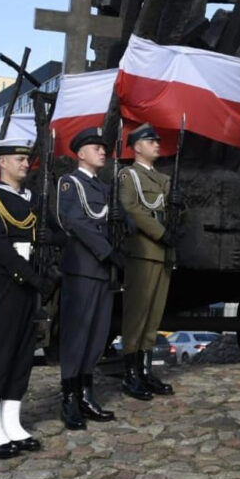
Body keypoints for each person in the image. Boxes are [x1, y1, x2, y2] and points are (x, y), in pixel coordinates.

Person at [0, 138, 58, 459]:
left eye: (27, 159)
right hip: (10, 280)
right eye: (19, 159)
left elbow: (45, 233)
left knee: (23, 351)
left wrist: (54, 239)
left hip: (32, 279)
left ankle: (11, 420)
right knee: (1, 350)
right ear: (3, 162)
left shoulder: (33, 198)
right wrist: (32, 277)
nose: (25, 164)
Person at [56, 127, 126, 429]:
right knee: (77, 334)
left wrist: (128, 223)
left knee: (97, 335)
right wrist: (108, 252)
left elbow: (116, 219)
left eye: (103, 147)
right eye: (96, 147)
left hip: (103, 272)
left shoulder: (105, 188)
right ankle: (69, 397)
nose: (102, 151)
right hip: (83, 268)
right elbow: (75, 222)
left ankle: (85, 394)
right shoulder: (70, 183)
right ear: (81, 153)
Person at [118, 123, 175, 400]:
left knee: (153, 316)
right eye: (151, 141)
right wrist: (161, 233)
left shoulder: (164, 179)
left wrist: (179, 208)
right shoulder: (129, 176)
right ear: (137, 147)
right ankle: (130, 374)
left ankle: (144, 371)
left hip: (163, 254)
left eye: (157, 141)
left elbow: (172, 213)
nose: (157, 145)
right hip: (143, 251)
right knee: (137, 315)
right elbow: (131, 208)